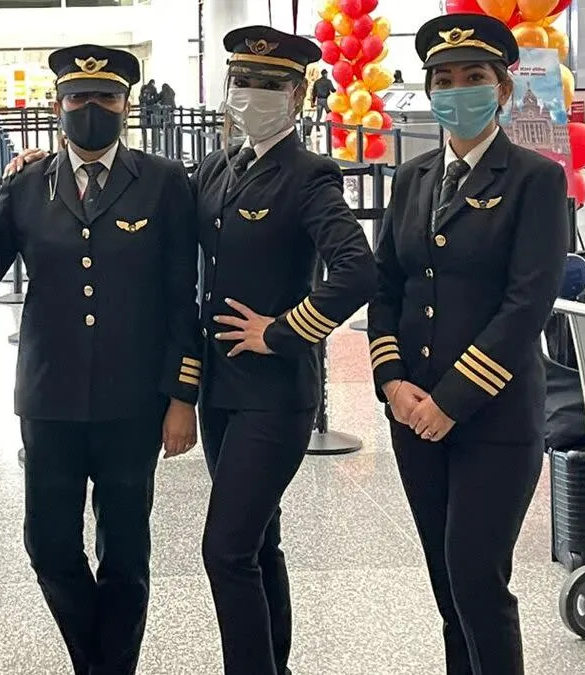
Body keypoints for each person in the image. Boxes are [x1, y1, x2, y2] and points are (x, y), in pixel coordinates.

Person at [366, 15, 567, 675]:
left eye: (473, 77)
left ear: (503, 88)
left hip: (493, 417)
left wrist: (451, 399)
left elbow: (526, 303)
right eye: (444, 79)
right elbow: (387, 283)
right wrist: (393, 383)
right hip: (413, 415)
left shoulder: (535, 179)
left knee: (478, 579)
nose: (458, 90)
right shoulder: (414, 176)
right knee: (449, 588)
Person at [0, 44, 200, 675]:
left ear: (125, 106)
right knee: (48, 544)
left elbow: (180, 297)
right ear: (57, 106)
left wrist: (181, 397)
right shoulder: (27, 185)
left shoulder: (164, 184)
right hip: (48, 402)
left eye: (104, 97)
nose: (90, 108)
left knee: (127, 552)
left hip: (133, 404)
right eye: (78, 98)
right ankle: (98, 662)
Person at [197, 26, 376, 675]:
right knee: (258, 541)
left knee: (225, 549)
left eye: (269, 83)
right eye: (242, 80)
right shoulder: (220, 167)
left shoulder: (307, 174)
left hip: (274, 398)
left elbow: (357, 269)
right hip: (221, 394)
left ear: (298, 94)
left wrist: (279, 331)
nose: (252, 93)